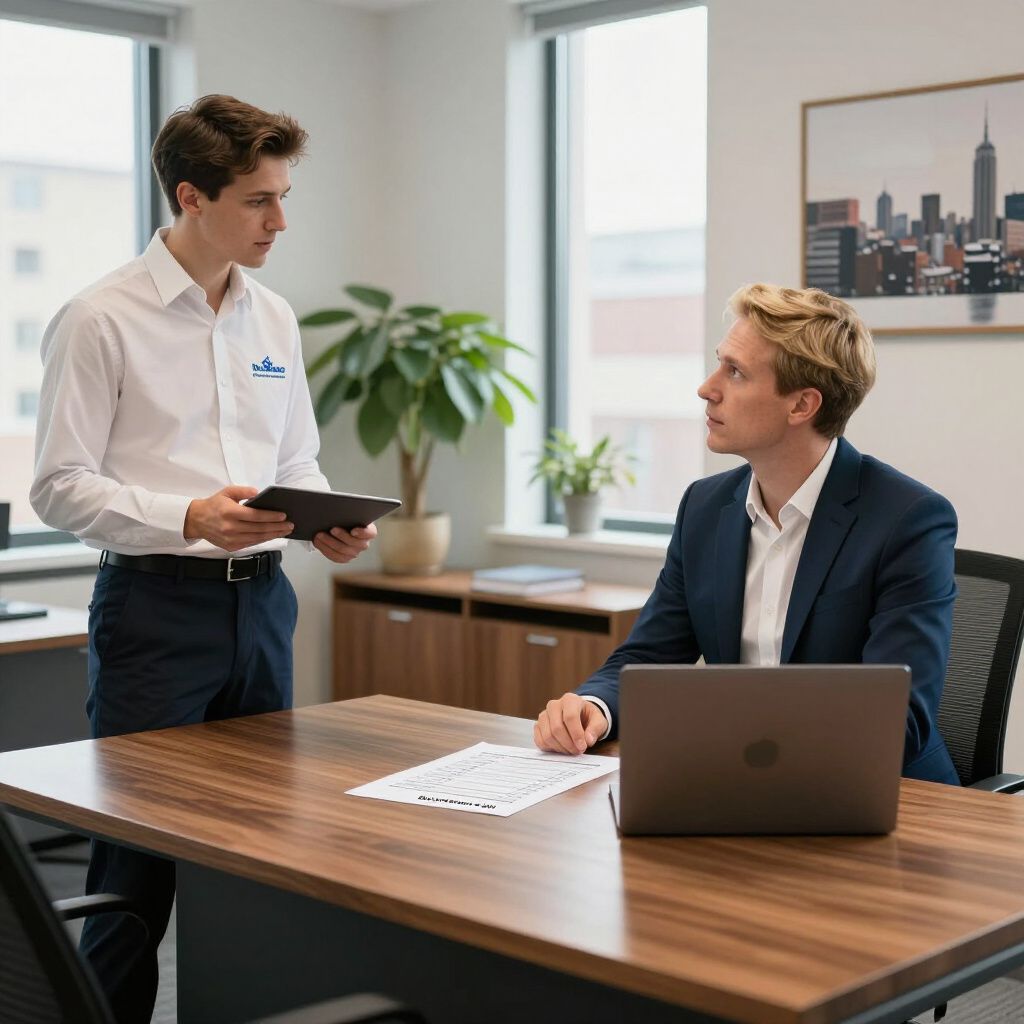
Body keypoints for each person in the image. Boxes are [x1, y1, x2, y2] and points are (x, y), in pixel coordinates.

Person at [31, 95, 375, 1023]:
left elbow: (293, 459)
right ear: (192, 195)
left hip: (263, 610)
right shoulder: (100, 318)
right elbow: (58, 487)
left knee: (260, 858)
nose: (281, 221)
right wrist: (184, 515)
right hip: (152, 614)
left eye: (283, 196)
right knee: (135, 876)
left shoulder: (275, 320)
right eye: (259, 200)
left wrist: (323, 517)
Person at [533, 283, 960, 787]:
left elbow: (898, 721)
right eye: (720, 364)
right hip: (740, 783)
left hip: (887, 800)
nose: (707, 387)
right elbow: (648, 656)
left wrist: (726, 735)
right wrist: (594, 706)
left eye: (735, 372)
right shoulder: (705, 507)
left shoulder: (908, 520)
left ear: (801, 405)